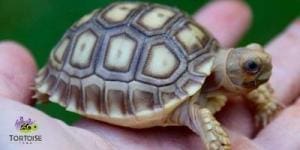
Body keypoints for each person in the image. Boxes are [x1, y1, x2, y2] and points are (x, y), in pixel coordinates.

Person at [0, 1, 299, 149]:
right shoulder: (193, 106)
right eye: (251, 67)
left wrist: (264, 102)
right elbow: (211, 131)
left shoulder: (215, 75)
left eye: (255, 63)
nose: (258, 69)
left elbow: (250, 87)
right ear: (231, 69)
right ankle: (51, 83)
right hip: (93, 47)